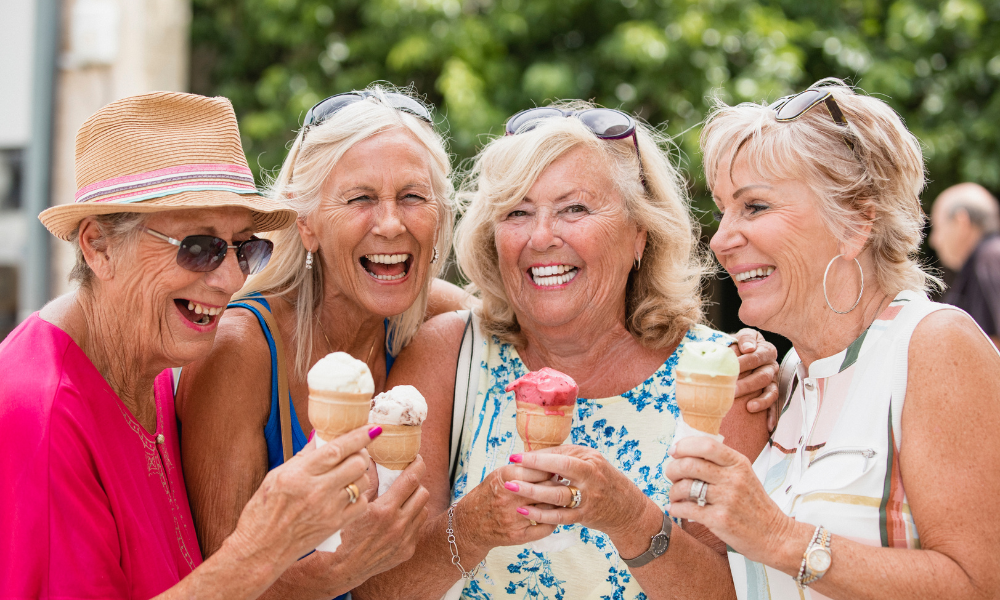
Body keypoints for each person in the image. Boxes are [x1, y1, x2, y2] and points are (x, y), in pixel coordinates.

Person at [364, 102, 781, 600]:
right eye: (518, 212)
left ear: (639, 235)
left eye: (574, 209)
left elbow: (740, 594)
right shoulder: (447, 355)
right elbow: (376, 588)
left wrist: (629, 519)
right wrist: (471, 527)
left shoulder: (721, 379)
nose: (541, 237)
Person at [0, 92, 378, 598]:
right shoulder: (41, 411)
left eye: (246, 248)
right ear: (99, 246)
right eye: (200, 248)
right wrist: (263, 547)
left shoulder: (147, 359)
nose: (229, 280)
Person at [660, 81, 1000, 599]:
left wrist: (775, 536)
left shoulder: (934, 345)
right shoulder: (790, 375)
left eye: (754, 207)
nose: (722, 239)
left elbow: (983, 584)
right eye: (724, 208)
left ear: (856, 221)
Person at [177, 87, 466, 599]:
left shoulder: (441, 318)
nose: (391, 223)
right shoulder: (241, 349)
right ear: (305, 224)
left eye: (413, 197)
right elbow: (220, 583)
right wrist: (339, 571)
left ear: (439, 216)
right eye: (360, 199)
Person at [929, 183, 1000, 348]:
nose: (934, 241)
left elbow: (993, 344)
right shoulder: (984, 259)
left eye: (938, 227)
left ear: (961, 222)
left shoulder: (989, 259)